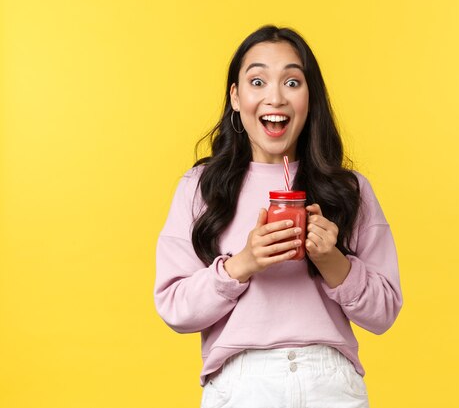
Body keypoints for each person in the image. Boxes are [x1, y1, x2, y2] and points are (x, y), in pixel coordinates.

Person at [153, 24, 403, 408]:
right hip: (241, 385)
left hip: (330, 384)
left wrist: (331, 260)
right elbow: (175, 309)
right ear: (235, 97)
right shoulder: (201, 186)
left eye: (291, 82)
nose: (275, 97)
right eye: (257, 81)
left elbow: (384, 313)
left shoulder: (349, 189)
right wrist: (243, 264)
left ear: (310, 97)